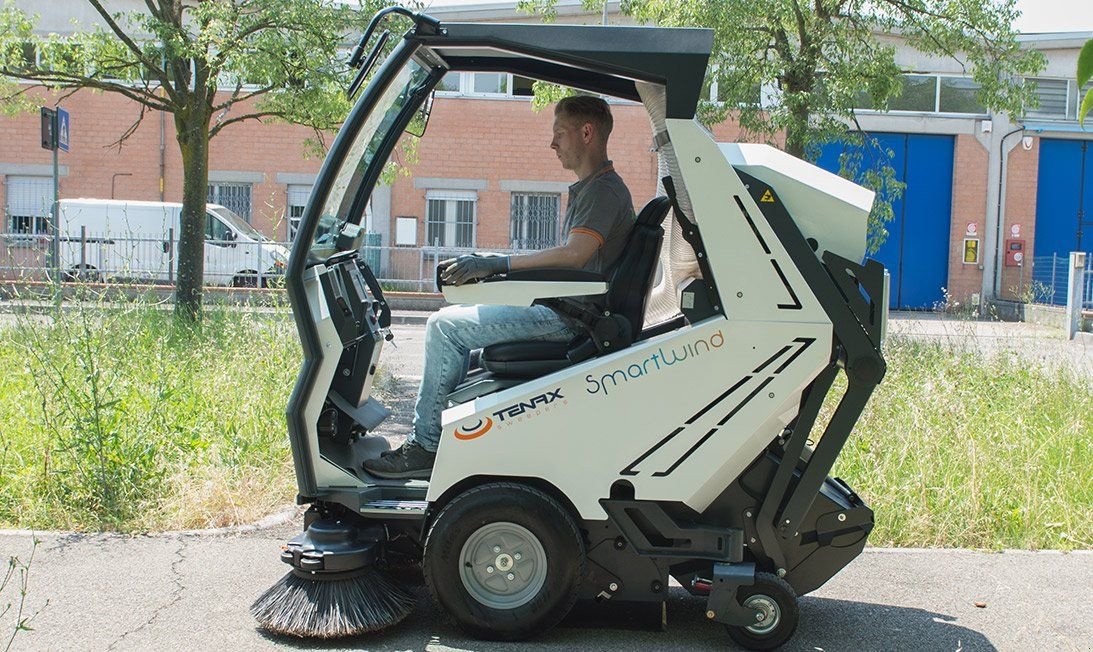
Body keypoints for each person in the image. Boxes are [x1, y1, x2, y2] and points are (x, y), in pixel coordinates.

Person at [365, 95, 635, 479]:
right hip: (568, 308)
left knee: (444, 328)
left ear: (587, 133)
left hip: (570, 319)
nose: (552, 144)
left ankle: (425, 447)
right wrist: (495, 267)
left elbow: (575, 255)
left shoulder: (602, 192)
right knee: (452, 321)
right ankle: (446, 439)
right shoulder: (594, 188)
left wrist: (498, 265)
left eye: (559, 133)